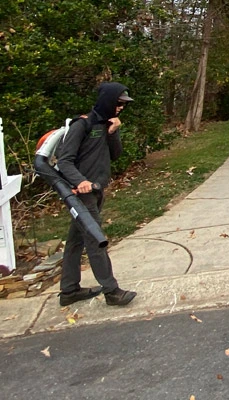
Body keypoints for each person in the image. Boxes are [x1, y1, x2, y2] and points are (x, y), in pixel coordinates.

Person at [55, 82, 137, 307]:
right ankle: (112, 291)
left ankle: (69, 290)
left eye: (123, 105)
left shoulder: (105, 125)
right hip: (82, 194)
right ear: (108, 101)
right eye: (118, 103)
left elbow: (116, 155)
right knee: (95, 241)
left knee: (75, 241)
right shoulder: (82, 125)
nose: (120, 108)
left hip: (97, 191)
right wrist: (80, 181)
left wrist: (113, 133)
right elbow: (64, 161)